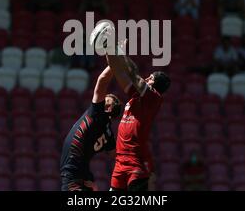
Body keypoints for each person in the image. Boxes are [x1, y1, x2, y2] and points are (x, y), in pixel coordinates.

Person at [105, 39, 171, 191]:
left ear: (155, 85)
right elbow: (117, 70)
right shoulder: (135, 96)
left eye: (151, 78)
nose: (147, 78)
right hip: (120, 161)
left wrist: (119, 51)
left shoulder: (154, 98)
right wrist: (108, 50)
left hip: (136, 161)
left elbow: (132, 73)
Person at [60, 66, 122, 191]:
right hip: (84, 176)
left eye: (106, 99)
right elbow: (116, 156)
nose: (102, 98)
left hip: (73, 174)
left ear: (108, 108)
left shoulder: (97, 113)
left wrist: (115, 61)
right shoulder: (108, 134)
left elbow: (102, 79)